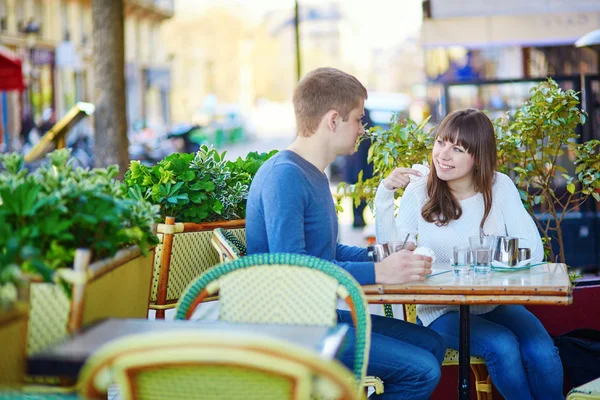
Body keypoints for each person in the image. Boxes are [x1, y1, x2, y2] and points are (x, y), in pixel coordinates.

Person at [246, 68, 445, 400]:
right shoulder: (285, 177)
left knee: (432, 343)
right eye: (358, 119)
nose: (362, 129)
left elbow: (328, 253)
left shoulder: (313, 174)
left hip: (317, 316)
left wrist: (384, 255)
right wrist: (379, 272)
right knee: (422, 371)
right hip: (292, 330)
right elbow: (295, 270)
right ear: (333, 120)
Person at [375, 108, 564, 400]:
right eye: (440, 142)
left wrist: (483, 253)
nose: (443, 155)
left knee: (542, 351)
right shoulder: (418, 191)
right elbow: (392, 253)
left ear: (478, 156)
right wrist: (386, 193)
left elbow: (533, 249)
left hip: (495, 302)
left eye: (458, 149)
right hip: (441, 309)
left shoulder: (499, 187)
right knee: (501, 346)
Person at [343, 108, 374, 227]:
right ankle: (357, 217)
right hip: (360, 166)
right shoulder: (361, 113)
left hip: (359, 165)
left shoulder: (362, 113)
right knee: (358, 193)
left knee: (358, 193)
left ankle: (358, 217)